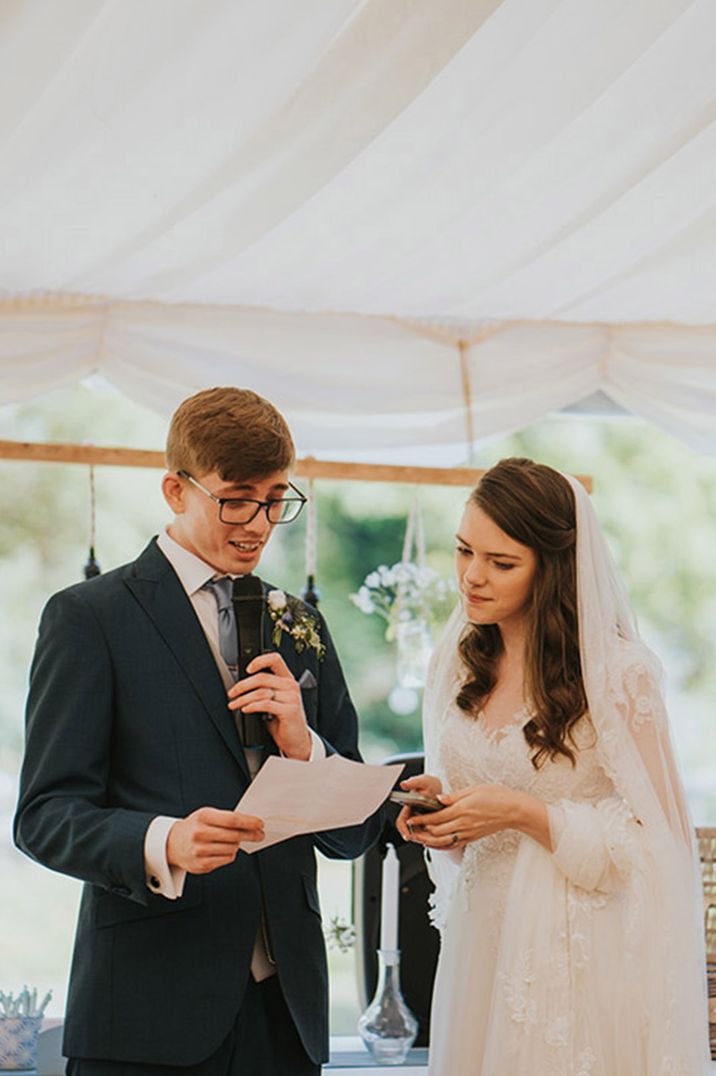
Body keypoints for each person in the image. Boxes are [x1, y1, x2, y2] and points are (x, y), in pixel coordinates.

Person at [14, 386, 383, 1076]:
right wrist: (167, 841)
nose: (259, 523)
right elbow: (43, 817)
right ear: (174, 491)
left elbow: (353, 835)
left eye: (276, 499)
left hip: (287, 1019)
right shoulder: (88, 619)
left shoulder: (300, 624)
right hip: (146, 1020)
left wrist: (306, 748)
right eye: (236, 498)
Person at [396, 457, 710, 1075]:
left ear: (556, 567)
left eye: (501, 562)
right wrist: (446, 816)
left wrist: (525, 813)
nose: (471, 578)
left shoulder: (620, 677)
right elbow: (469, 826)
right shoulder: (457, 663)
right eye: (464, 551)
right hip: (483, 945)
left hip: (579, 961)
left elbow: (660, 849)